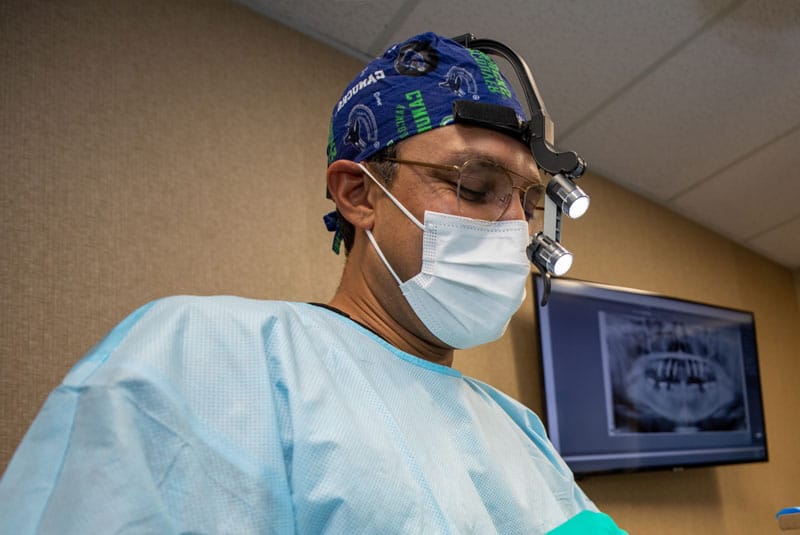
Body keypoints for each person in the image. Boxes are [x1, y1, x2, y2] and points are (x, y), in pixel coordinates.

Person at [0, 32, 626, 534]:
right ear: (358, 194)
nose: (514, 226)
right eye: (475, 186)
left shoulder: (519, 430)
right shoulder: (205, 356)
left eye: (528, 200)